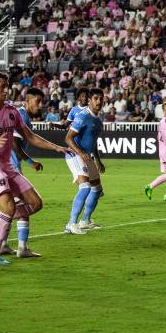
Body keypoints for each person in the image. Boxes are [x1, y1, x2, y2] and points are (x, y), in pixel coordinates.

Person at [0, 72, 66, 265]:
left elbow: (30, 136)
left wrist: (55, 146)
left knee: (36, 203)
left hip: (7, 165)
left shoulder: (11, 111)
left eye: (8, 86)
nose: (7, 90)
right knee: (8, 206)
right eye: (2, 87)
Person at [64, 88, 106, 234]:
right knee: (85, 187)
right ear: (89, 100)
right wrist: (81, 153)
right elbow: (68, 138)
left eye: (101, 98)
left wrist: (98, 161)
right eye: (96, 98)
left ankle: (85, 221)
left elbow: (93, 143)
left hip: (87, 156)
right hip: (74, 154)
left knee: (97, 189)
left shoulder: (98, 122)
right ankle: (71, 223)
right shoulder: (83, 116)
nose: (99, 101)